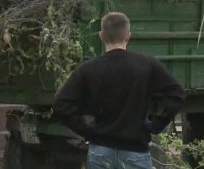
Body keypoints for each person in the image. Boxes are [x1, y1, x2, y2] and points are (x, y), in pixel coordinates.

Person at [53, 12, 186, 169]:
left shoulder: (88, 69)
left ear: (101, 36)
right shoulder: (147, 65)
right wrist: (157, 124)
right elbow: (177, 94)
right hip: (135, 150)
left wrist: (87, 131)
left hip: (101, 150)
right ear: (128, 36)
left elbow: (60, 104)